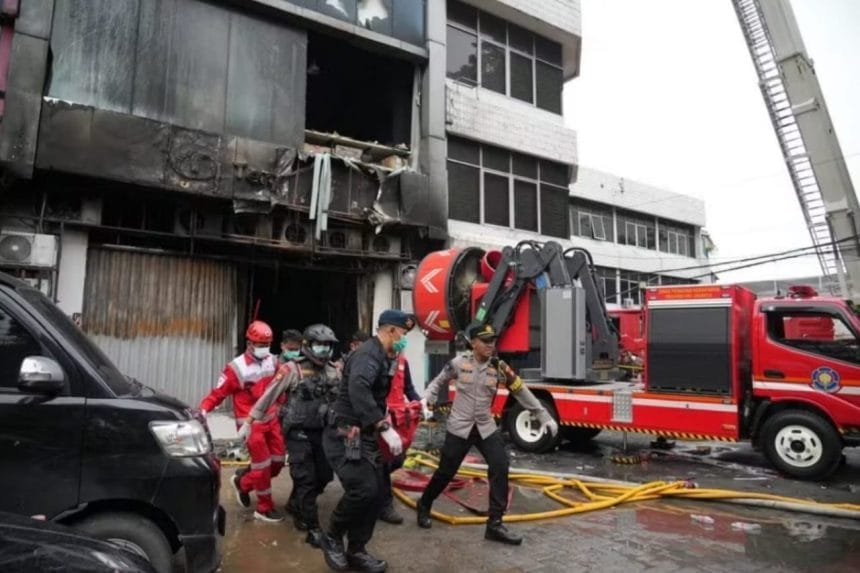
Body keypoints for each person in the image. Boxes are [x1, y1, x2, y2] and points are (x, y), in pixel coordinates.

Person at [416, 324, 559, 545]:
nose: (490, 345)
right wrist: (427, 399)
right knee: (446, 471)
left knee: (500, 466)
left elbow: (520, 391)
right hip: (460, 428)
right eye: (485, 341)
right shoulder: (459, 363)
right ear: (473, 343)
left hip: (485, 427)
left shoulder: (499, 367)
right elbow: (438, 382)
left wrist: (543, 415)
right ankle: (424, 503)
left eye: (493, 340)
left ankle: (495, 524)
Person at [318, 310, 414, 573]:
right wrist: (383, 426)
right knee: (363, 490)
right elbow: (358, 389)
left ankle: (357, 549)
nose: (404, 339)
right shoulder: (368, 355)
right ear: (391, 331)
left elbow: (378, 394)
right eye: (403, 333)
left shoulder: (385, 356)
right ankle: (332, 535)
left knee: (377, 492)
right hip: (345, 434)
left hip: (366, 434)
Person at [242, 324, 341, 547]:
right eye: (319, 345)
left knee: (324, 475)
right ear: (307, 345)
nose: (324, 349)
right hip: (298, 432)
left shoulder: (334, 370)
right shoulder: (291, 369)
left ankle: (296, 503)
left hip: (323, 431)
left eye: (327, 345)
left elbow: (342, 398)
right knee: (306, 478)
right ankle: (312, 527)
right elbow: (269, 396)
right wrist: (250, 420)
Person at [199, 320, 286, 522]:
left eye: (267, 345)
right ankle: (264, 508)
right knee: (262, 466)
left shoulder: (273, 361)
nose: (264, 348)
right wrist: (202, 410)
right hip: (251, 424)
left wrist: (282, 403)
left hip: (272, 420)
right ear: (249, 343)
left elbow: (279, 386)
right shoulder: (236, 368)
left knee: (278, 462)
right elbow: (217, 394)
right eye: (261, 344)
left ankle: (243, 483)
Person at [377, 353, 422, 525]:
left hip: (400, 419)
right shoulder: (374, 360)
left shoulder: (402, 361)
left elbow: (408, 388)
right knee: (383, 463)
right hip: (380, 418)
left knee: (398, 460)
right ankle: (384, 506)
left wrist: (420, 403)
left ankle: (376, 489)